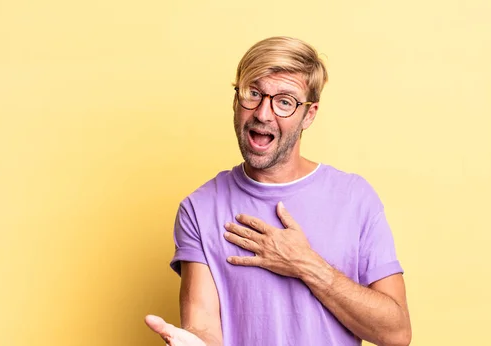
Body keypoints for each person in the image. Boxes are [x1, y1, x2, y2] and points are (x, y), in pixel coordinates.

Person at [145, 36, 412, 346]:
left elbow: (396, 334)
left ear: (308, 115)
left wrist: (305, 264)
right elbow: (203, 326)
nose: (263, 113)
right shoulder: (200, 208)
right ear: (236, 100)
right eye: (254, 93)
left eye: (284, 101)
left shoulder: (355, 198)